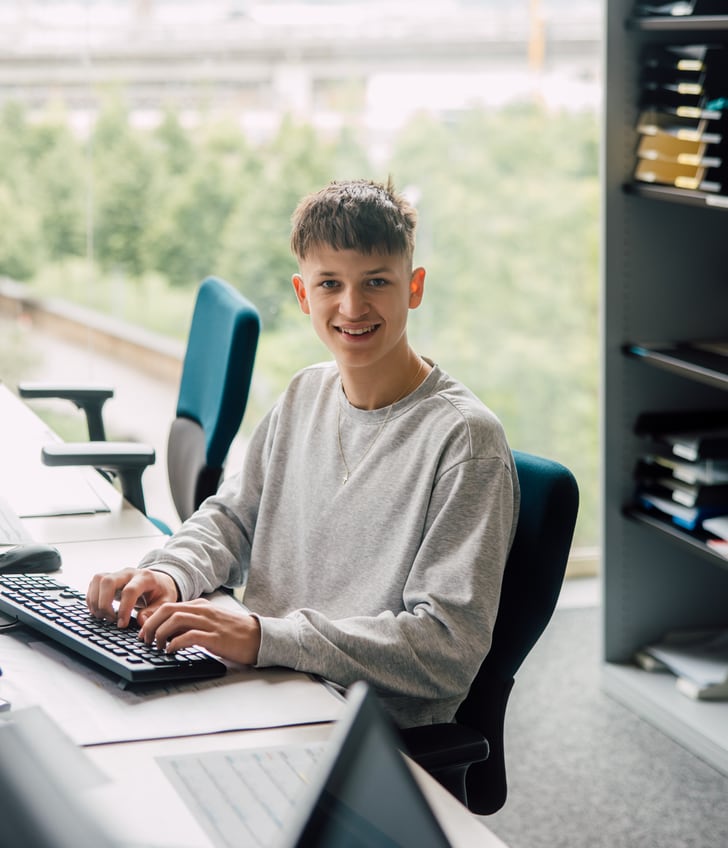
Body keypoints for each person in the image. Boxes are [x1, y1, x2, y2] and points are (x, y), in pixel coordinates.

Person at [86, 178, 520, 728]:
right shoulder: (303, 395)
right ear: (302, 294)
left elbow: (445, 648)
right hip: (265, 686)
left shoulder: (465, 441)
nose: (352, 306)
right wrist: (170, 573)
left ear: (414, 287)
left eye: (376, 282)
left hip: (359, 730)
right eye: (330, 283)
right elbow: (230, 520)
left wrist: (266, 637)